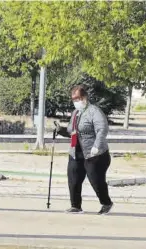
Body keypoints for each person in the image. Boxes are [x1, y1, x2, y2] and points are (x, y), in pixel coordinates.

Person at [55, 84, 113, 215]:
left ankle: (106, 203)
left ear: (85, 97)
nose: (77, 101)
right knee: (73, 178)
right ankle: (75, 205)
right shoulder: (76, 113)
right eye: (74, 99)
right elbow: (72, 131)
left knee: (96, 180)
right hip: (76, 151)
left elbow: (102, 129)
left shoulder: (94, 111)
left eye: (78, 98)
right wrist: (61, 130)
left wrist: (97, 146)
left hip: (95, 154)